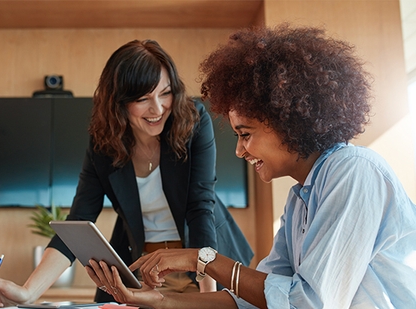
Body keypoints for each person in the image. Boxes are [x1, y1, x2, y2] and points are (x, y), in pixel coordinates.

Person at [86, 24, 416, 308]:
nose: (240, 150)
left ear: (288, 120)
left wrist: (202, 258)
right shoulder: (300, 199)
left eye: (245, 134)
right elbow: (260, 299)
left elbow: (306, 303)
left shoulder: (353, 173)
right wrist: (158, 301)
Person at [0, 39, 253, 307]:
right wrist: (27, 293)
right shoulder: (104, 144)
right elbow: (79, 220)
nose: (158, 109)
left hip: (204, 265)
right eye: (143, 98)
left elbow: (200, 207)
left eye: (165, 92)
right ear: (119, 102)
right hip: (145, 272)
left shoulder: (193, 121)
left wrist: (208, 299)